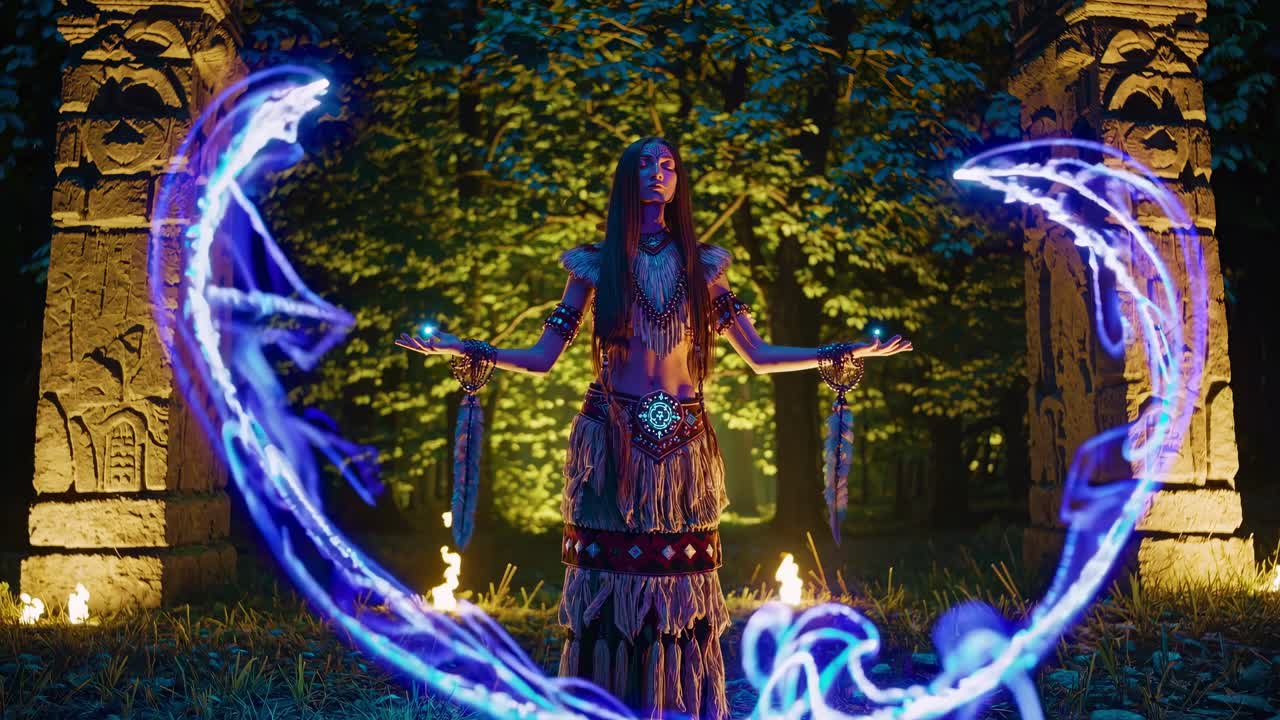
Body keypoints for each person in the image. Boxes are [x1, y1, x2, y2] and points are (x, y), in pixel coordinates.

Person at [395, 136, 912, 718]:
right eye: (644, 163)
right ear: (625, 179)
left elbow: (759, 354)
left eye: (668, 165)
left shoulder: (704, 266)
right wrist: (463, 349)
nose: (657, 172)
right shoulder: (594, 265)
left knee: (681, 592)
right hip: (610, 442)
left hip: (685, 449)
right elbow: (543, 357)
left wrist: (838, 353)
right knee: (606, 591)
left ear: (678, 181)